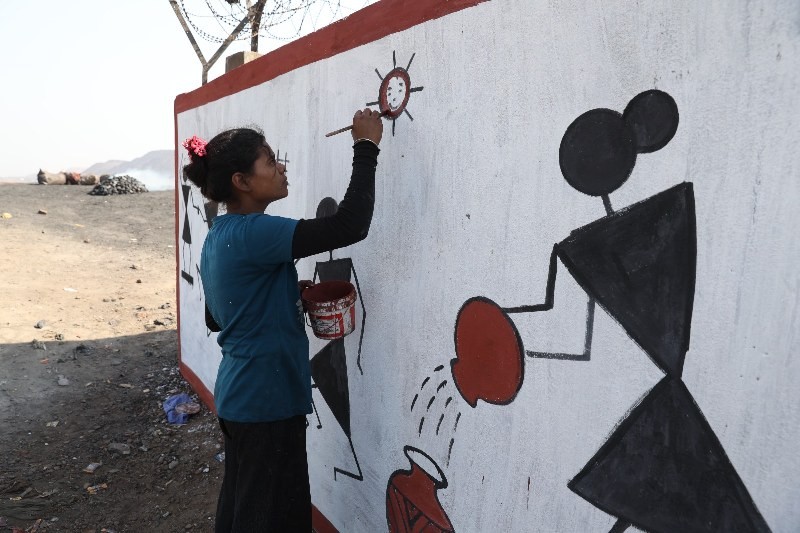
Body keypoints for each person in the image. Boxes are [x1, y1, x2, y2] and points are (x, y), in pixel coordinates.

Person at [182, 108, 383, 532]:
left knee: (243, 510)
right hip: (266, 402)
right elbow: (350, 225)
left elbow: (220, 316)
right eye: (271, 162)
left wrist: (286, 295)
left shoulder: (220, 235)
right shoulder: (256, 232)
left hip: (244, 397)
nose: (281, 168)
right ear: (241, 181)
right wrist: (366, 147)